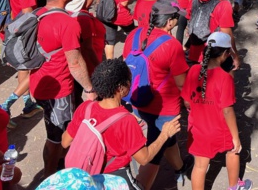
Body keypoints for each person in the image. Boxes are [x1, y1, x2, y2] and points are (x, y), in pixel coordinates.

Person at [62, 59, 181, 189]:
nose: (130, 85)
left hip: (86, 175)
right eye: (129, 81)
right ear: (120, 88)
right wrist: (165, 134)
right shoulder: (126, 121)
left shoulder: (86, 108)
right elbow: (144, 158)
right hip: (113, 179)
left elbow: (65, 142)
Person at [30, 0, 95, 178]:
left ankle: (56, 167)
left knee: (55, 131)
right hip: (58, 89)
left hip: (39, 82)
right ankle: (50, 176)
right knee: (57, 137)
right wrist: (89, 89)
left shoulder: (37, 14)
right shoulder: (67, 23)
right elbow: (74, 63)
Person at [122, 0, 190, 190]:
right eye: (176, 18)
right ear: (169, 22)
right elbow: (181, 83)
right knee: (154, 151)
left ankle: (180, 168)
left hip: (137, 99)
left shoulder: (134, 35)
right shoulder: (172, 45)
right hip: (164, 108)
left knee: (167, 139)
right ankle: (140, 186)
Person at [182, 32, 253, 190]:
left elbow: (187, 101)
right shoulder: (224, 78)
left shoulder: (194, 70)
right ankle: (234, 186)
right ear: (225, 54)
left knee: (199, 166)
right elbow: (227, 111)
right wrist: (236, 138)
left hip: (198, 128)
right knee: (232, 151)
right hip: (218, 128)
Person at [0, 0, 41, 128]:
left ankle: (29, 104)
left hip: (6, 32)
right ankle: (4, 106)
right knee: (37, 66)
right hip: (21, 35)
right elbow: (27, 15)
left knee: (23, 68)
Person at [64, 0, 105, 100]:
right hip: (89, 66)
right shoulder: (83, 18)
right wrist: (99, 67)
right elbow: (88, 48)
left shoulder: (67, 12)